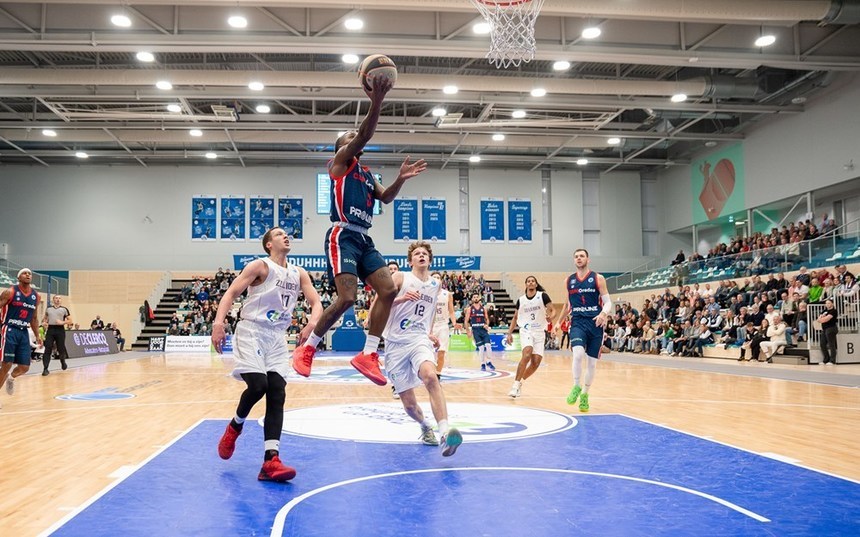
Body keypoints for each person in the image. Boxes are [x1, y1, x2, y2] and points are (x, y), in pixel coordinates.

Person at [291, 74, 428, 386]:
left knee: (389, 290)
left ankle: (368, 354)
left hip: (363, 238)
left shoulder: (366, 174)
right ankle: (307, 348)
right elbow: (363, 135)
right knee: (348, 298)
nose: (355, 137)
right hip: (342, 235)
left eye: (354, 137)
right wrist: (377, 100)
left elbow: (386, 198)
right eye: (350, 138)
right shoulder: (339, 164)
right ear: (343, 148)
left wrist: (401, 179)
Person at [212, 227, 322, 482]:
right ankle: (235, 426)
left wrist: (311, 324)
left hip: (276, 337)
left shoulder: (298, 273)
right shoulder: (259, 266)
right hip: (252, 330)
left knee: (277, 392)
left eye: (287, 234)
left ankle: (270, 460)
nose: (286, 236)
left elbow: (316, 303)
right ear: (268, 244)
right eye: (279, 234)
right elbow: (230, 293)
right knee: (259, 384)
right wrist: (218, 324)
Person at [382, 241, 462, 456]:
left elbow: (429, 312)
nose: (421, 256)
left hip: (418, 339)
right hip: (395, 344)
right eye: (417, 253)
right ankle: (425, 426)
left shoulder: (436, 284)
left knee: (430, 376)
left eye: (425, 253)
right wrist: (400, 299)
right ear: (410, 261)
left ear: (430, 259)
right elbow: (379, 304)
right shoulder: (400, 278)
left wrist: (428, 332)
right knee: (409, 405)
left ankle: (445, 433)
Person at [557, 249, 612, 412]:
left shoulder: (598, 278)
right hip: (578, 322)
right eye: (576, 256)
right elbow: (567, 306)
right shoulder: (569, 281)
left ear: (588, 259)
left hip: (595, 323)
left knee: (592, 363)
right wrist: (558, 323)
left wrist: (603, 313)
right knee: (578, 354)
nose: (579, 258)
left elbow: (608, 302)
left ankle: (585, 395)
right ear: (574, 260)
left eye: (581, 256)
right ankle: (576, 386)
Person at [506, 276, 554, 398]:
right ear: (526, 285)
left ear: (536, 284)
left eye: (533, 281)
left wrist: (551, 317)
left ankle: (520, 382)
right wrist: (509, 333)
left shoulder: (542, 296)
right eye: (528, 281)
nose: (531, 282)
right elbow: (515, 317)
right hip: (526, 330)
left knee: (536, 362)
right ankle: (515, 385)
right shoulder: (521, 300)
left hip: (540, 331)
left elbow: (553, 310)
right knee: (527, 354)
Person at [1, 269, 42, 406]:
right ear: (18, 277)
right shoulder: (10, 292)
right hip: (9, 329)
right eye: (25, 273)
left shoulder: (36, 296)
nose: (28, 275)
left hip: (24, 331)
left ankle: (11, 378)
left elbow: (34, 318)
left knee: (24, 367)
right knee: (6, 364)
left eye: (30, 273)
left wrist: (37, 335)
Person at [430, 271, 459, 378]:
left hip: (443, 325)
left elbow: (451, 311)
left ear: (441, 280)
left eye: (438, 277)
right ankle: (428, 373)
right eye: (434, 277)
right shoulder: (426, 293)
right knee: (427, 354)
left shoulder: (447, 294)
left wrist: (455, 323)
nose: (437, 279)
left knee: (441, 352)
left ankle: (438, 375)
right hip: (430, 327)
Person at [42, 294, 73, 375]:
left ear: (61, 300)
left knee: (61, 348)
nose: (58, 299)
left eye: (59, 298)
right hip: (51, 330)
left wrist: (62, 322)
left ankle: (63, 362)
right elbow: (45, 318)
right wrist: (44, 322)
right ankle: (45, 369)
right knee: (47, 348)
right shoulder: (48, 309)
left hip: (60, 330)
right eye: (56, 298)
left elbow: (70, 321)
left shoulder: (64, 309)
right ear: (53, 300)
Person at [464, 293, 495, 371]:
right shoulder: (470, 309)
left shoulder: (483, 308)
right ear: (472, 299)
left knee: (488, 346)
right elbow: (466, 321)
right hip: (475, 330)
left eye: (477, 297)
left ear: (479, 298)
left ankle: (488, 361)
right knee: (481, 348)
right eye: (474, 297)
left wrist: (487, 325)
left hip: (483, 329)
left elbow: (487, 319)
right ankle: (482, 364)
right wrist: (468, 331)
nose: (476, 298)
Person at [818, 298, 838, 365]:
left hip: (831, 328)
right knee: (822, 344)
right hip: (824, 329)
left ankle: (832, 361)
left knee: (831, 344)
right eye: (826, 303)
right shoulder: (824, 311)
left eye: (829, 303)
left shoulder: (834, 311)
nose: (827, 304)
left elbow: (826, 319)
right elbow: (818, 319)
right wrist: (821, 318)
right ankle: (826, 359)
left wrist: (822, 319)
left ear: (832, 303)